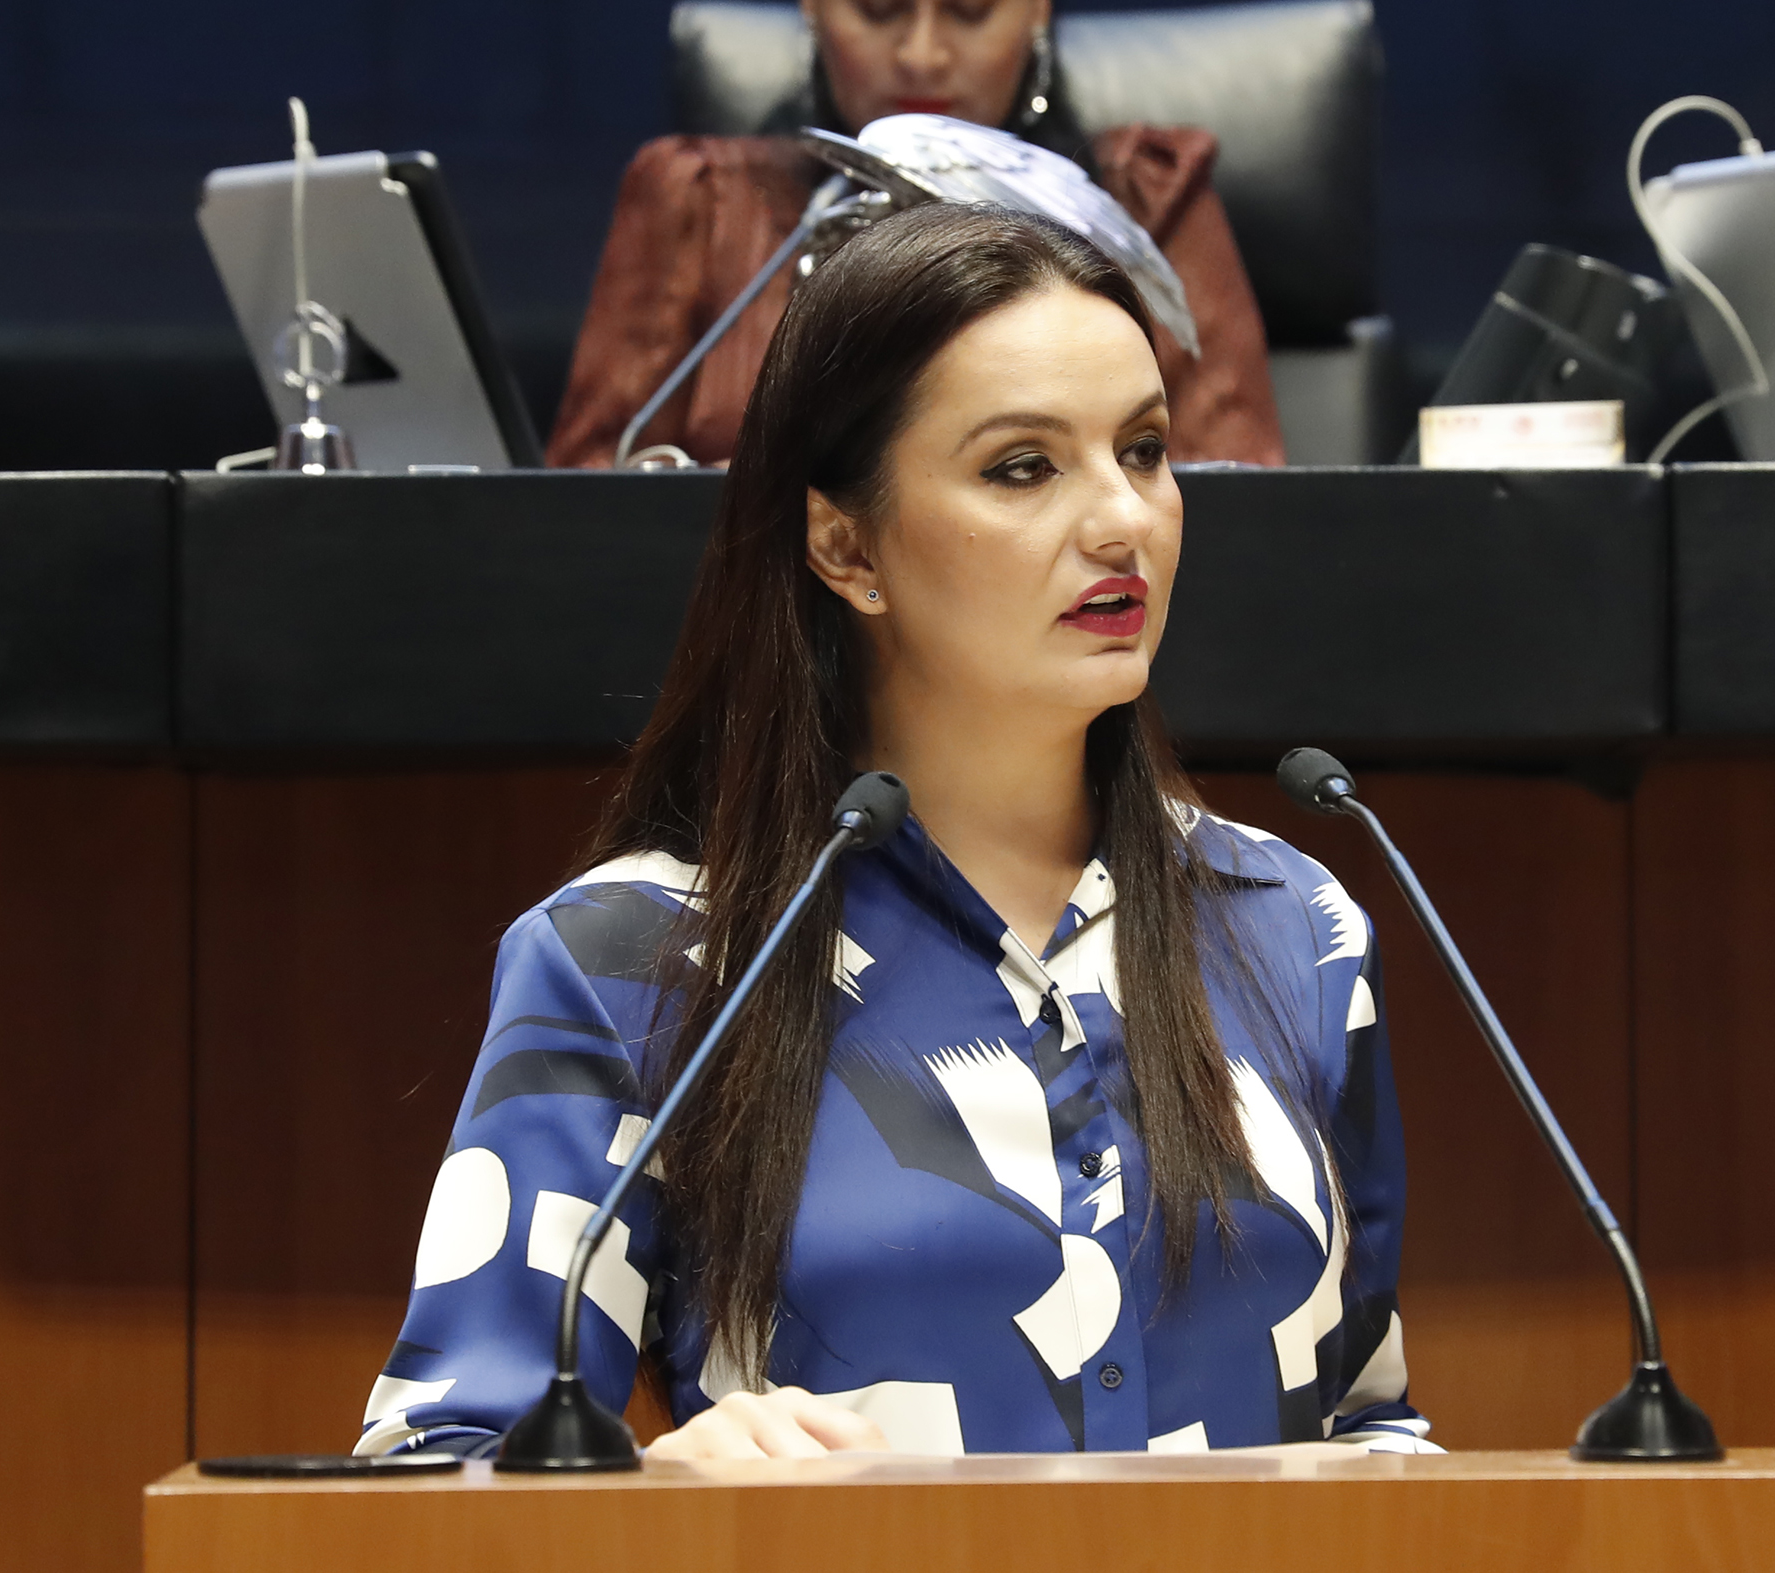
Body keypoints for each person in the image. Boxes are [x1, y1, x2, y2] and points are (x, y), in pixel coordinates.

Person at [362, 204, 1422, 1459]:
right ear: (845, 545)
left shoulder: (1292, 924)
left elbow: (1369, 1424)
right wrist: (653, 1488)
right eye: (1022, 466)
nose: (1122, 519)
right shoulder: (635, 960)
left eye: (1142, 449)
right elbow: (435, 1463)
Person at [544, 0, 1284, 471]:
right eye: (878, 9)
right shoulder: (698, 197)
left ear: (1036, 10)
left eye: (970, 11)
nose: (922, 55)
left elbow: (1242, 504)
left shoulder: (1147, 200)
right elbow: (579, 513)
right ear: (812, 7)